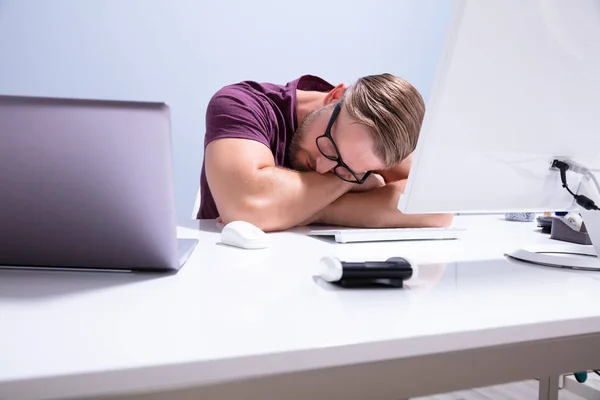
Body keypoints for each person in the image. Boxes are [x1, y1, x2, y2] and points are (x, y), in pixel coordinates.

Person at [197, 73, 453, 232]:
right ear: (335, 96)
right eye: (329, 146)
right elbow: (246, 206)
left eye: (346, 172)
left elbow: (439, 204)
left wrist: (314, 210)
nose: (322, 168)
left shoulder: (371, 142)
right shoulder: (242, 104)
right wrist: (358, 185)